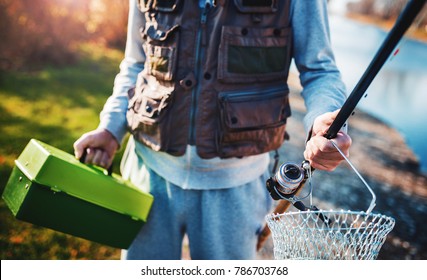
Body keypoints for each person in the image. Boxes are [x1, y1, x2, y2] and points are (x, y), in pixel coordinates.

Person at [74, 0, 352, 260]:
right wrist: (110, 129)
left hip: (235, 189)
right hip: (147, 173)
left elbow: (319, 70)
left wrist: (323, 120)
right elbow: (136, 63)